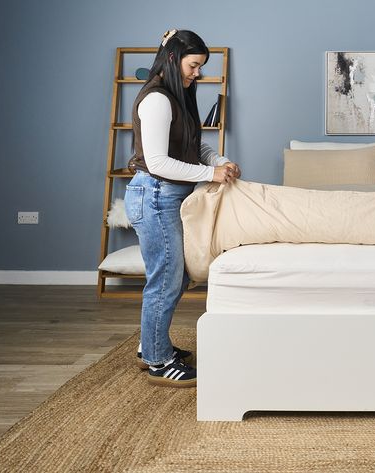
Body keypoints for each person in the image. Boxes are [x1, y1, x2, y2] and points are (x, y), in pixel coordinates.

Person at [125, 29, 240, 387]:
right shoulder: (157, 100)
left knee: (173, 276)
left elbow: (191, 147)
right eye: (193, 66)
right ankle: (158, 361)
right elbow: (159, 161)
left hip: (167, 196)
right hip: (155, 193)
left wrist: (219, 160)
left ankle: (151, 347)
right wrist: (211, 173)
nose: (197, 74)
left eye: (201, 67)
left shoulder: (178, 96)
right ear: (174, 59)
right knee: (166, 278)